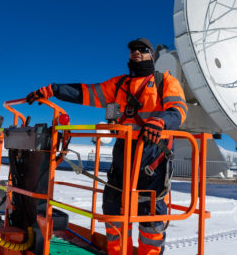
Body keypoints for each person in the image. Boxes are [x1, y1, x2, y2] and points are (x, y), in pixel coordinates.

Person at [26, 38, 187, 254]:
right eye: (132, 50)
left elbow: (178, 110)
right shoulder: (119, 85)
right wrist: (53, 90)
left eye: (142, 50)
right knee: (113, 208)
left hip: (152, 156)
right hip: (122, 155)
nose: (136, 52)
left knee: (150, 215)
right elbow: (85, 92)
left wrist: (160, 121)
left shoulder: (165, 81)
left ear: (152, 56)